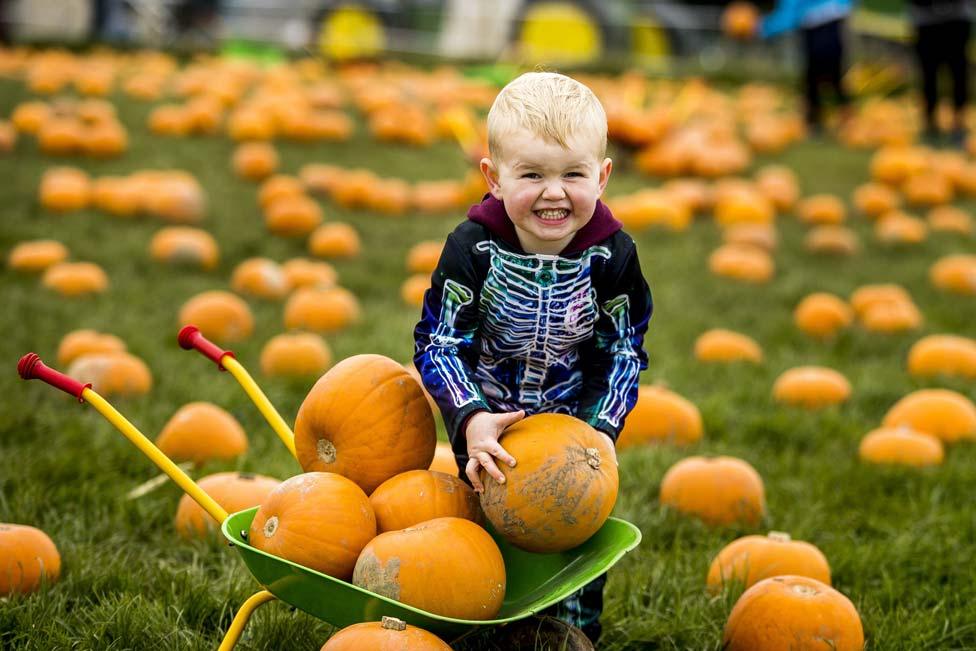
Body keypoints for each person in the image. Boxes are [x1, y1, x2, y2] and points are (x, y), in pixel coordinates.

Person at [413, 71, 652, 644]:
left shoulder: (612, 257)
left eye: (574, 173)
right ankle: (473, 625)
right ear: (494, 179)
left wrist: (598, 434)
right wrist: (470, 417)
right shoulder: (473, 250)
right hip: (488, 429)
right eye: (532, 174)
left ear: (603, 175)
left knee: (568, 538)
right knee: (475, 538)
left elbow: (623, 349)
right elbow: (440, 340)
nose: (554, 192)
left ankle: (568, 636)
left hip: (573, 432)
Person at [758, 0, 854, 133]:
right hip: (819, 28)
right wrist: (764, 28)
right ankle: (817, 120)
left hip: (826, 27)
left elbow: (788, 15)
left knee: (827, 75)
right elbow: (788, 14)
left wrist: (763, 28)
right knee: (819, 77)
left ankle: (838, 119)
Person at [908, 0, 973, 146]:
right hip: (925, 19)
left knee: (958, 72)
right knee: (928, 73)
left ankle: (959, 123)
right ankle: (930, 122)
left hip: (957, 17)